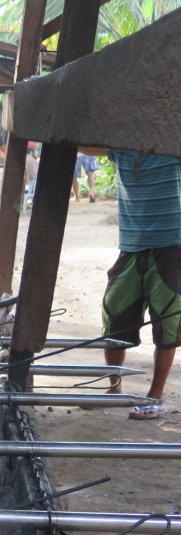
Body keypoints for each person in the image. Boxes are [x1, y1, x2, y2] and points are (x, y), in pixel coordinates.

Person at [87, 149, 181, 420]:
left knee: (167, 323)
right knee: (114, 316)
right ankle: (115, 389)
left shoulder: (171, 142)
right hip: (132, 245)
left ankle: (155, 396)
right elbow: (82, 143)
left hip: (171, 245)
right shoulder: (120, 148)